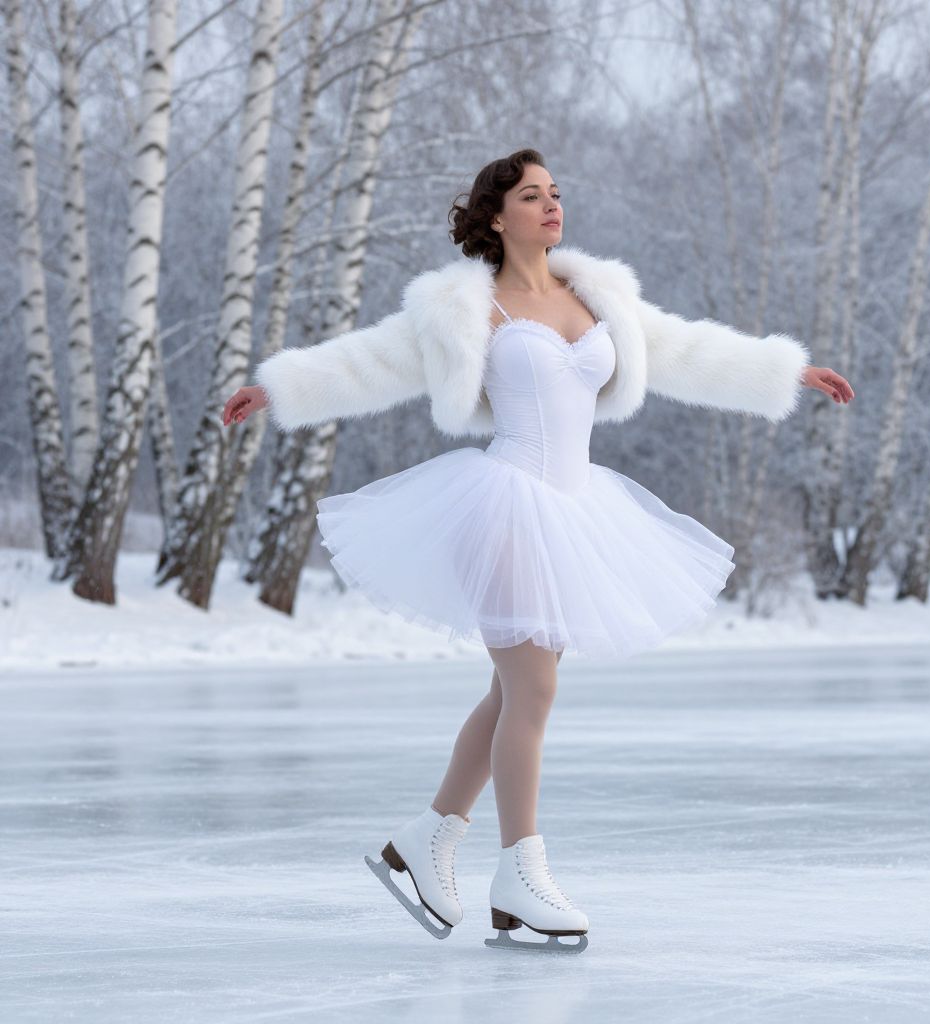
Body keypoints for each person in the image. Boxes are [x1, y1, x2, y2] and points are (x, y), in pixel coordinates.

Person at [222, 148, 854, 953]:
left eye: (556, 192)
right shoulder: (465, 306)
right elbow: (373, 358)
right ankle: (519, 876)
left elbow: (685, 349)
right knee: (535, 688)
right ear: (496, 216)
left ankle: (426, 841)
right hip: (502, 506)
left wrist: (785, 372)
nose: (552, 205)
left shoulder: (597, 296)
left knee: (510, 695)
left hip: (576, 512)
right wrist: (281, 387)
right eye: (532, 195)